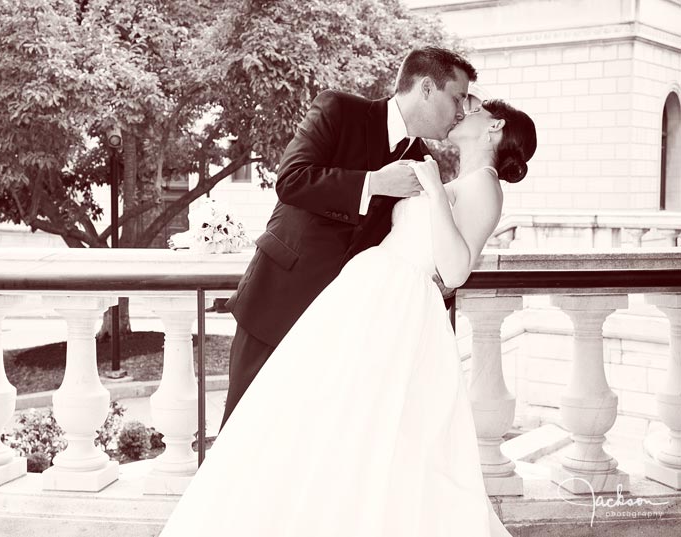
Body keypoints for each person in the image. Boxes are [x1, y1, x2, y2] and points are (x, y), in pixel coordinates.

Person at [159, 98, 537, 536]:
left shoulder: (485, 186)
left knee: (380, 428)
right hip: (365, 294)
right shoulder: (443, 169)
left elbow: (454, 270)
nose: (460, 111)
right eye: (458, 100)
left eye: (470, 107)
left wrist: (433, 192)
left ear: (495, 126)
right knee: (325, 416)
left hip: (400, 307)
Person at [221, 47, 477, 427]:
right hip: (279, 301)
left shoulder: (426, 164)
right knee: (243, 432)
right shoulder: (339, 110)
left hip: (343, 328)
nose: (460, 111)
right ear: (426, 88)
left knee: (303, 441)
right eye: (457, 97)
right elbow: (291, 180)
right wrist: (374, 184)